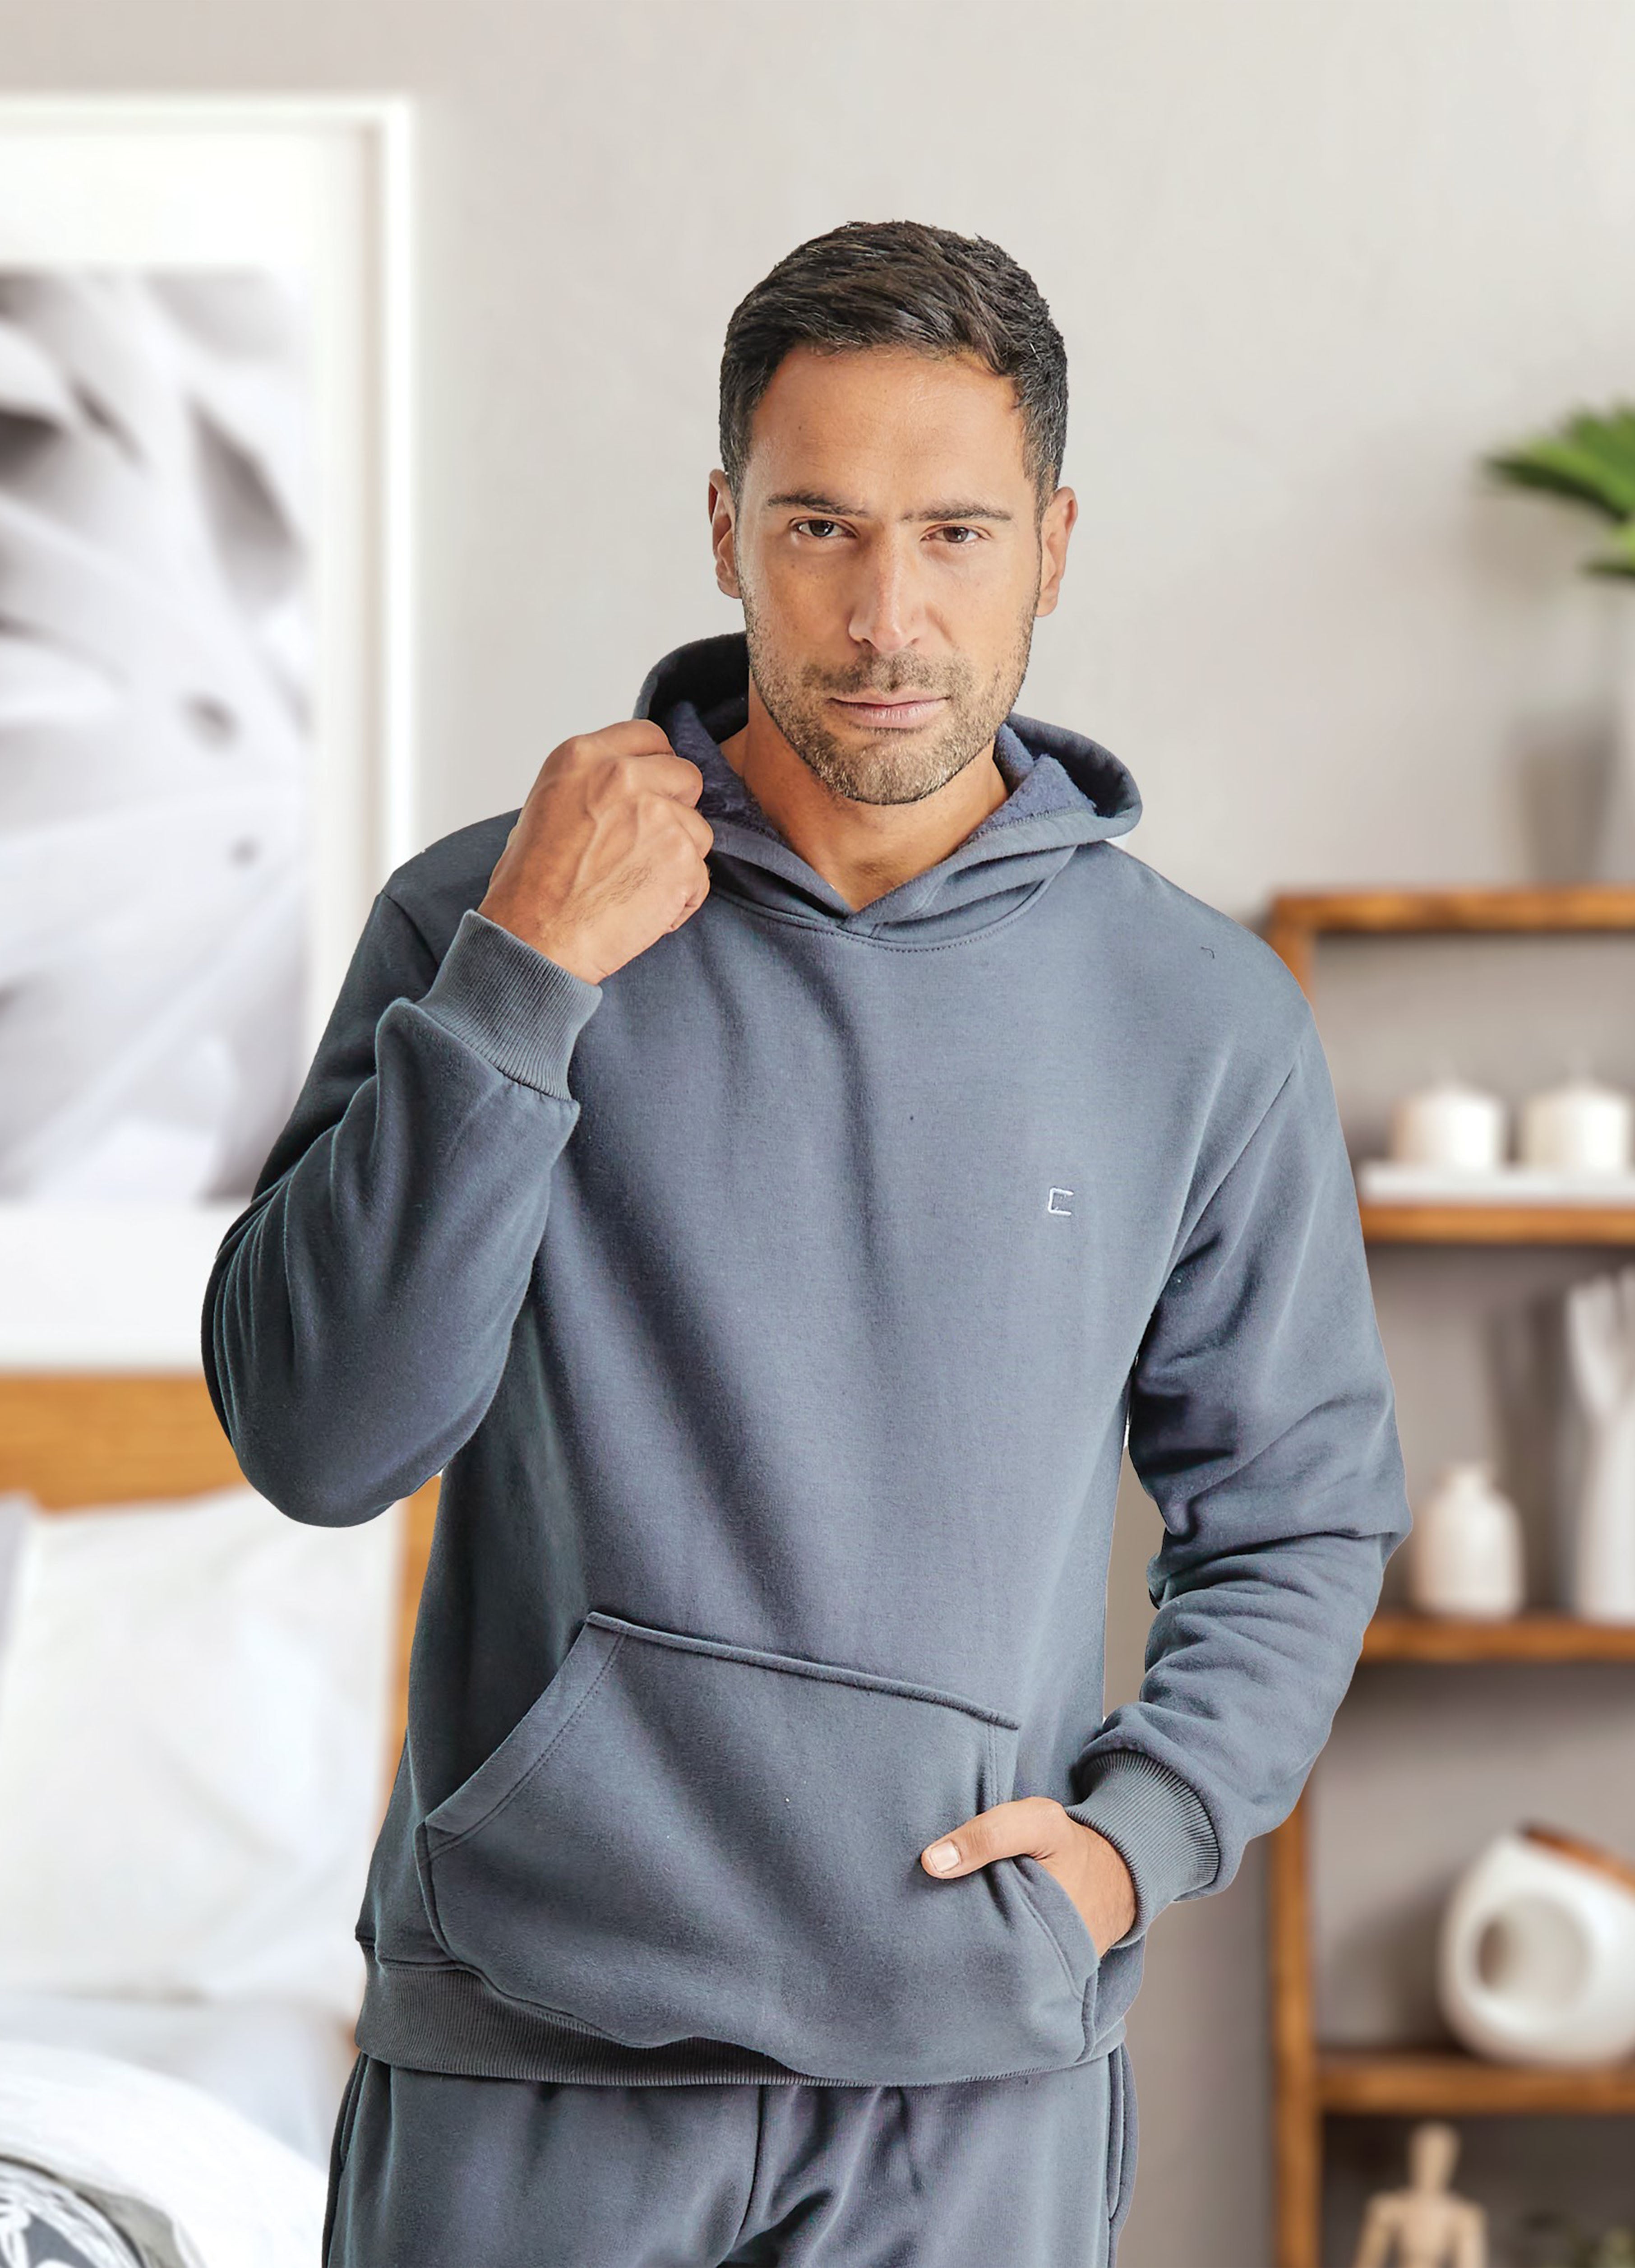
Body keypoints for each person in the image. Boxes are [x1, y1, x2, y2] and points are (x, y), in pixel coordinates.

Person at [202, 218, 1412, 2268]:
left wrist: (1135, 1846)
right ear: (725, 532)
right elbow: (323, 1443)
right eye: (822, 528)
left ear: (1054, 544)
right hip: (529, 2060)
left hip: (971, 2087)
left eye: (956, 535)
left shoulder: (1199, 1015)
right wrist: (523, 981)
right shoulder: (488, 917)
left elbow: (1299, 1513)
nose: (885, 616)